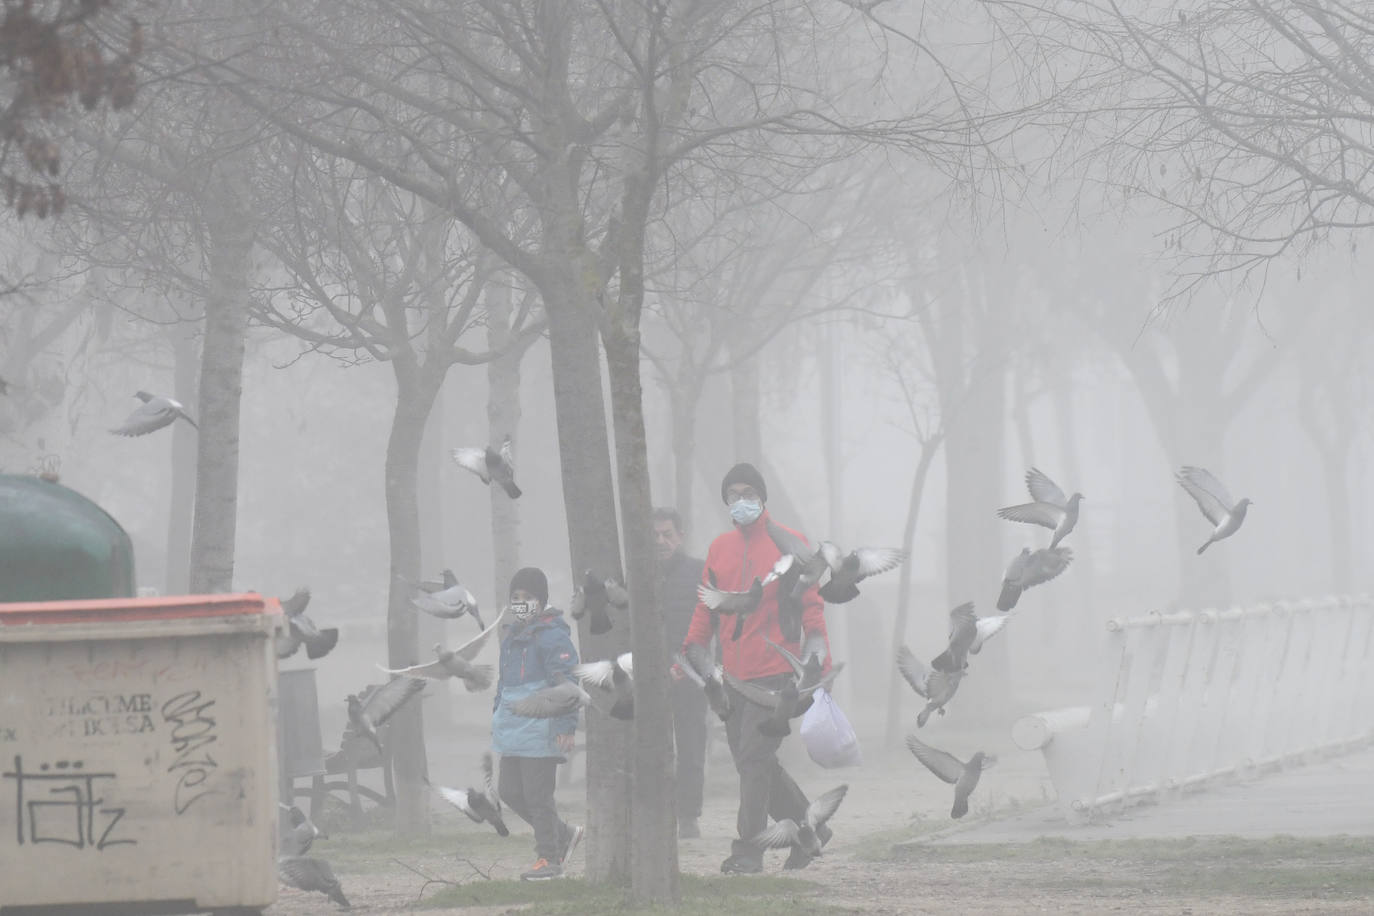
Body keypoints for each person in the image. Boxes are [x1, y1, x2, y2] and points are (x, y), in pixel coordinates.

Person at [680, 462, 833, 874]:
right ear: (726, 501)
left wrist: (819, 663)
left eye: (749, 492)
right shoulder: (719, 548)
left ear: (763, 497)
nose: (742, 500)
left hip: (775, 676)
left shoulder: (792, 544)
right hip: (732, 678)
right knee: (756, 763)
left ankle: (747, 852)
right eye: (734, 494)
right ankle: (811, 828)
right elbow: (704, 608)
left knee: (752, 761)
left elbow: (811, 607)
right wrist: (692, 651)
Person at [491, 566, 585, 880]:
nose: (521, 602)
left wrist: (565, 727)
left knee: (537, 796)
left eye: (528, 597)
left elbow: (567, 683)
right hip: (513, 730)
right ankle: (564, 834)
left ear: (541, 600)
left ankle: (549, 859)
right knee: (508, 790)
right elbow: (504, 685)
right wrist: (497, 716)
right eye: (515, 597)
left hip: (542, 730)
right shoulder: (509, 637)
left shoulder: (553, 637)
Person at [654, 506, 708, 839]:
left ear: (681, 536)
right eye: (655, 535)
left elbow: (708, 625)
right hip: (646, 680)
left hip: (690, 676)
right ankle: (655, 814)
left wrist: (685, 666)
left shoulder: (699, 572)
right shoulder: (637, 575)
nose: (661, 541)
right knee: (652, 749)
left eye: (667, 534)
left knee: (690, 748)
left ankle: (688, 816)